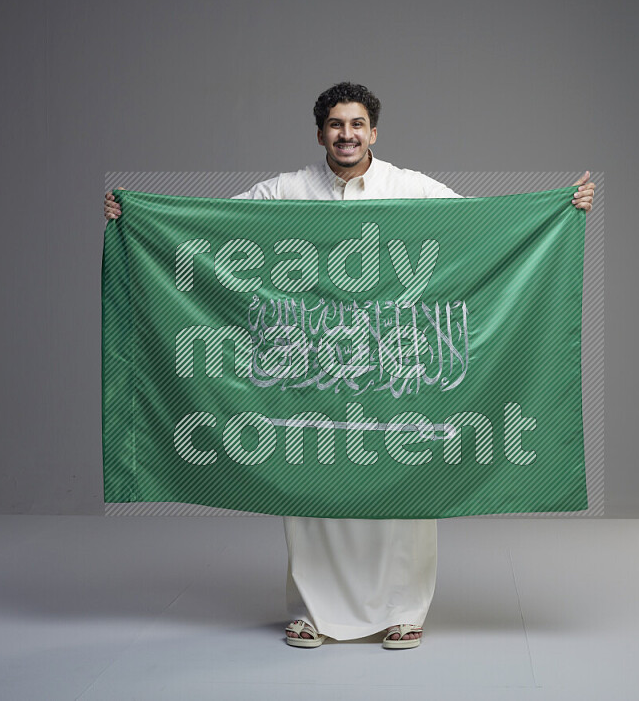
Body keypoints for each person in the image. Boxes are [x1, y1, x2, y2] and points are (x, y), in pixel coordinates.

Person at [104, 82, 596, 650]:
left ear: (374, 132)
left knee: (404, 487)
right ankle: (312, 611)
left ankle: (405, 612)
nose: (346, 134)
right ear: (320, 134)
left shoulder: (409, 188)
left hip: (394, 372)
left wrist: (558, 210)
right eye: (336, 125)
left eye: (357, 124)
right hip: (308, 372)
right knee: (310, 485)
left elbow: (482, 228)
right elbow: (210, 229)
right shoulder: (286, 191)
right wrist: (138, 216)